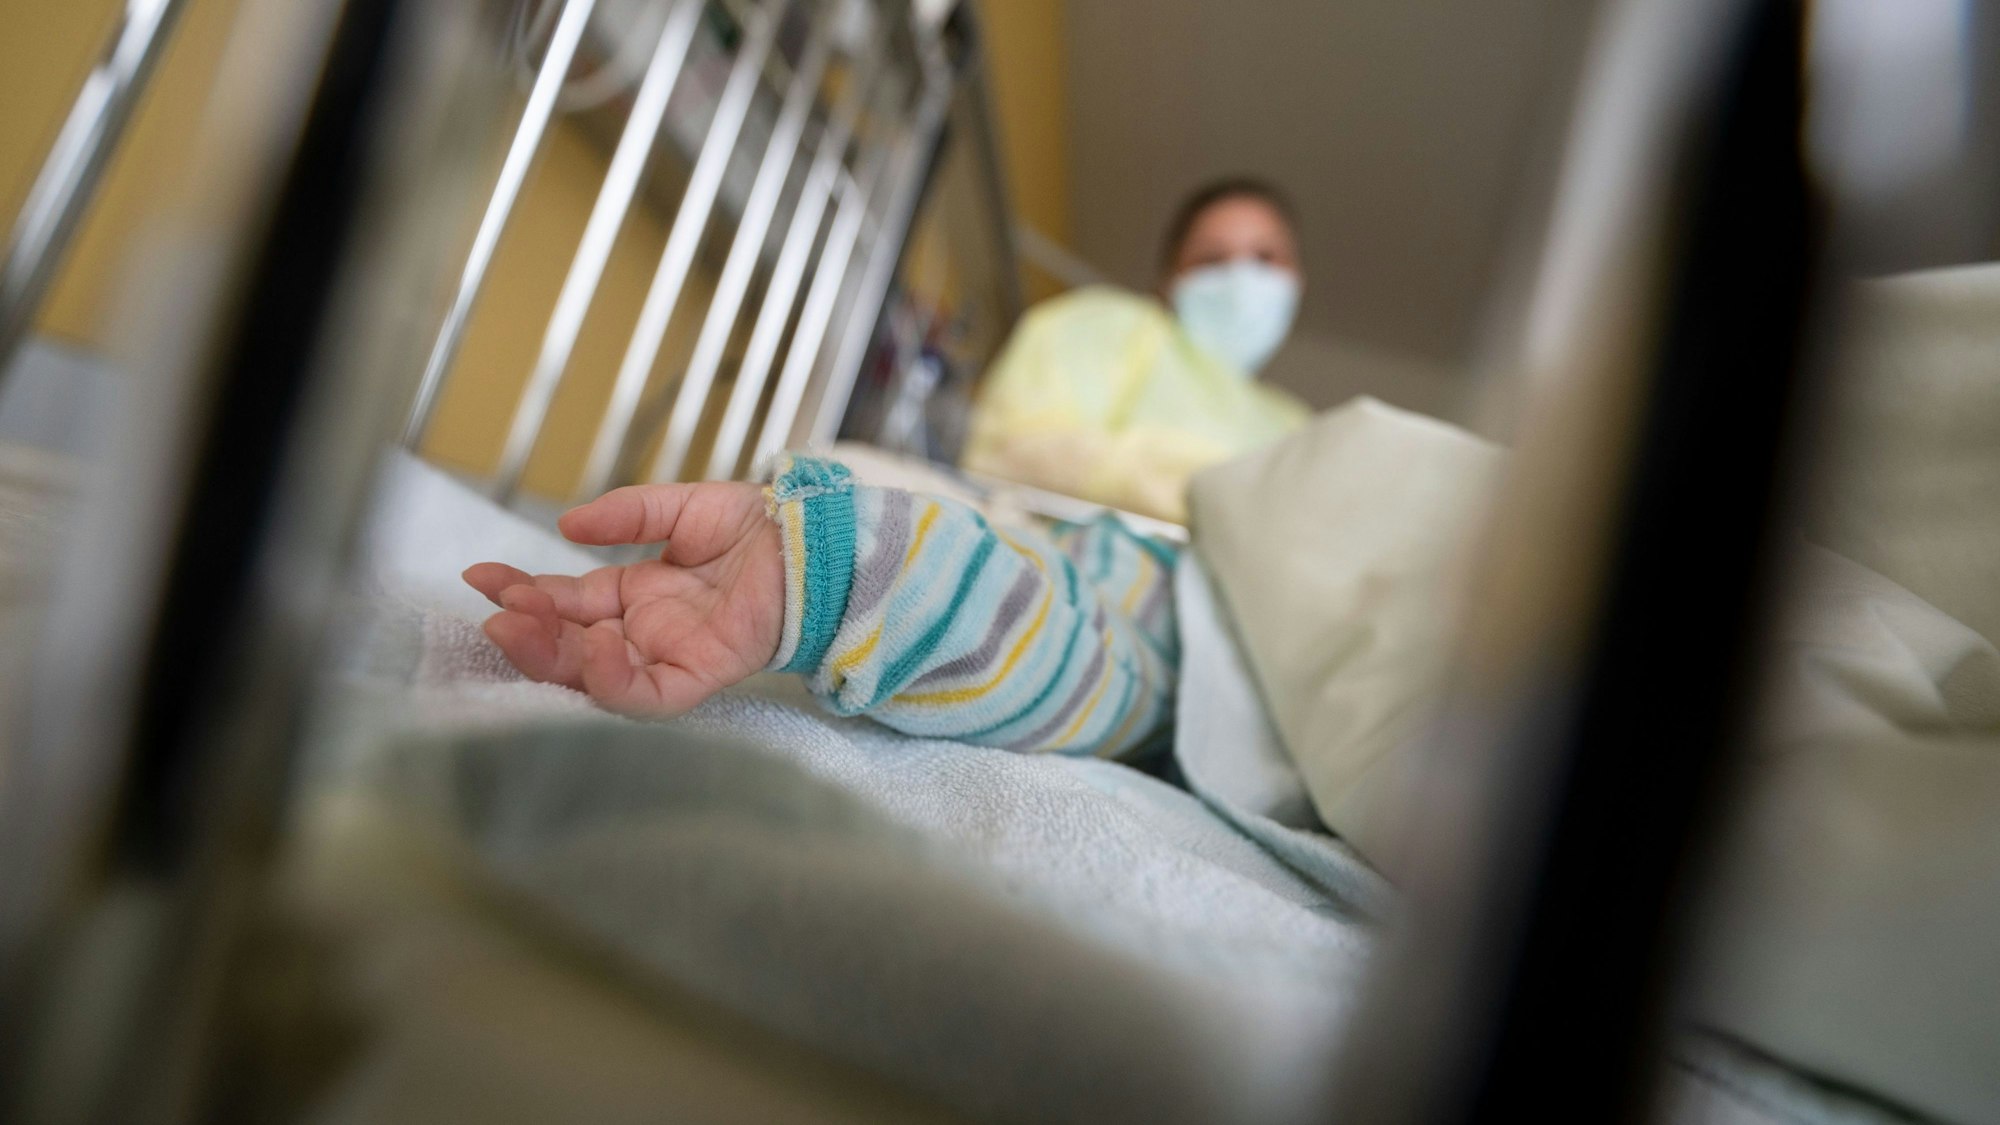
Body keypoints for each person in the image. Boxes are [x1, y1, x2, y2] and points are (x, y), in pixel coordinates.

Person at [464, 454, 1177, 758]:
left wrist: (836, 568)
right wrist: (822, 563)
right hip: (1070, 549)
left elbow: (1119, 688)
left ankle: (852, 561)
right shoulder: (1131, 552)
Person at [959, 178, 1311, 522]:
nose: (1241, 279)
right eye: (1212, 258)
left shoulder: (1298, 426)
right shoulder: (1110, 328)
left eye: (1266, 257)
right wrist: (1208, 494)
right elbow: (1009, 450)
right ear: (1170, 280)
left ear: (1298, 279)